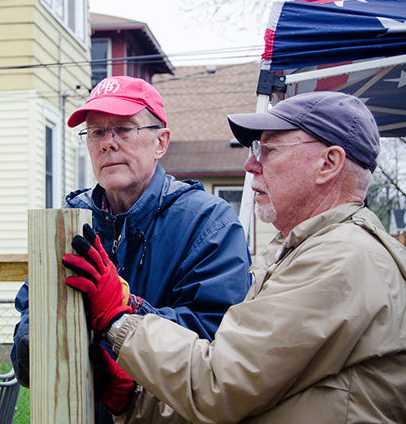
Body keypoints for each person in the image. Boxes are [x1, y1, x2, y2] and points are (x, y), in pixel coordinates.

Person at [64, 91, 406, 423]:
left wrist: (119, 321)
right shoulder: (299, 250)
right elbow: (240, 402)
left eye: (269, 149)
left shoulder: (341, 259)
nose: (250, 164)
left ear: (328, 164)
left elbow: (218, 384)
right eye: (96, 132)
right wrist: (126, 395)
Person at [11, 76, 252, 423]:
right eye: (96, 132)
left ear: (161, 141)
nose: (107, 143)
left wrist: (126, 310)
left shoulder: (208, 223)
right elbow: (32, 301)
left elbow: (215, 341)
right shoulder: (70, 223)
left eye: (124, 129)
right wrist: (32, 337)